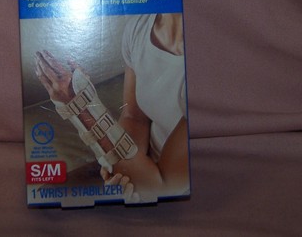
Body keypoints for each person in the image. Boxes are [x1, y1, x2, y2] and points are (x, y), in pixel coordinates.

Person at [35, 13, 189, 203]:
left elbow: (163, 188)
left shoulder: (206, 61)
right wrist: (117, 165)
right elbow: (134, 118)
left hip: (176, 185)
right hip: (142, 158)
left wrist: (79, 105)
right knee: (45, 195)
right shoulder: (138, 27)